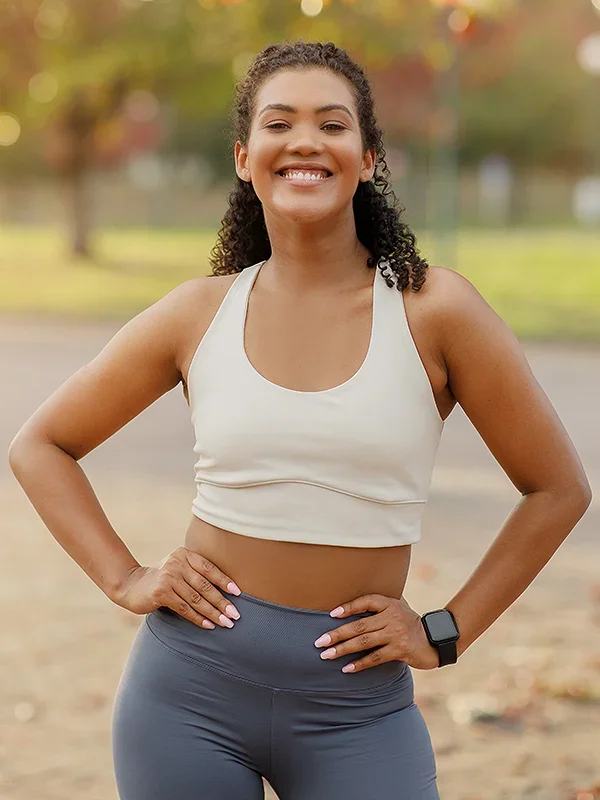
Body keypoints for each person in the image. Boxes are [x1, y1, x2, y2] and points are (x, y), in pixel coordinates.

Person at [8, 40, 592, 800]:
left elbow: (557, 488)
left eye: (333, 124)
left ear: (370, 157)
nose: (307, 141)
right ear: (247, 158)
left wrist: (445, 631)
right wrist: (125, 577)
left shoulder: (435, 310)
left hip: (358, 712)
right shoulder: (197, 313)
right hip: (186, 697)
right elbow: (40, 445)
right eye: (280, 124)